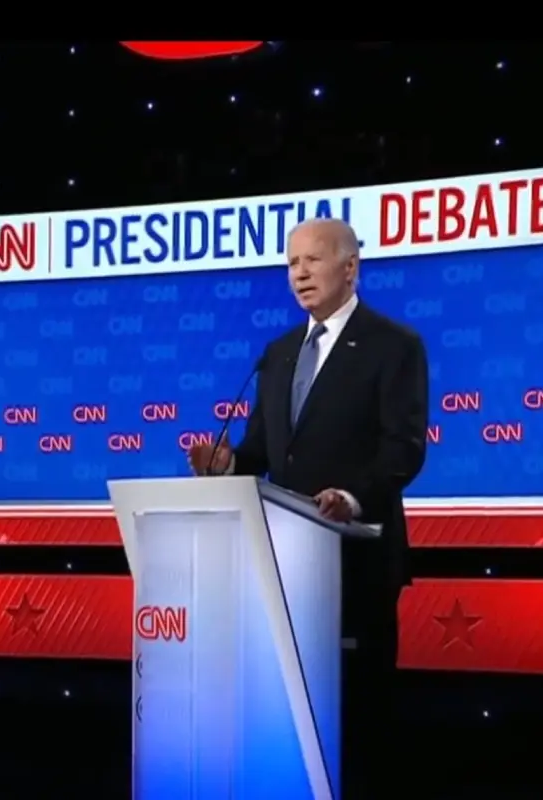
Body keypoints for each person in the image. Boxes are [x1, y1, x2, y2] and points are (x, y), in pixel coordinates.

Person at [188, 217, 428, 794]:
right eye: (292, 263)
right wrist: (227, 464)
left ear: (350, 268)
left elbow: (404, 447)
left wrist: (351, 498)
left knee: (359, 719)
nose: (299, 273)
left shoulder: (393, 345)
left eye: (313, 261)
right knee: (292, 714)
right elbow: (260, 453)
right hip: (283, 567)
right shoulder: (278, 353)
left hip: (358, 562)